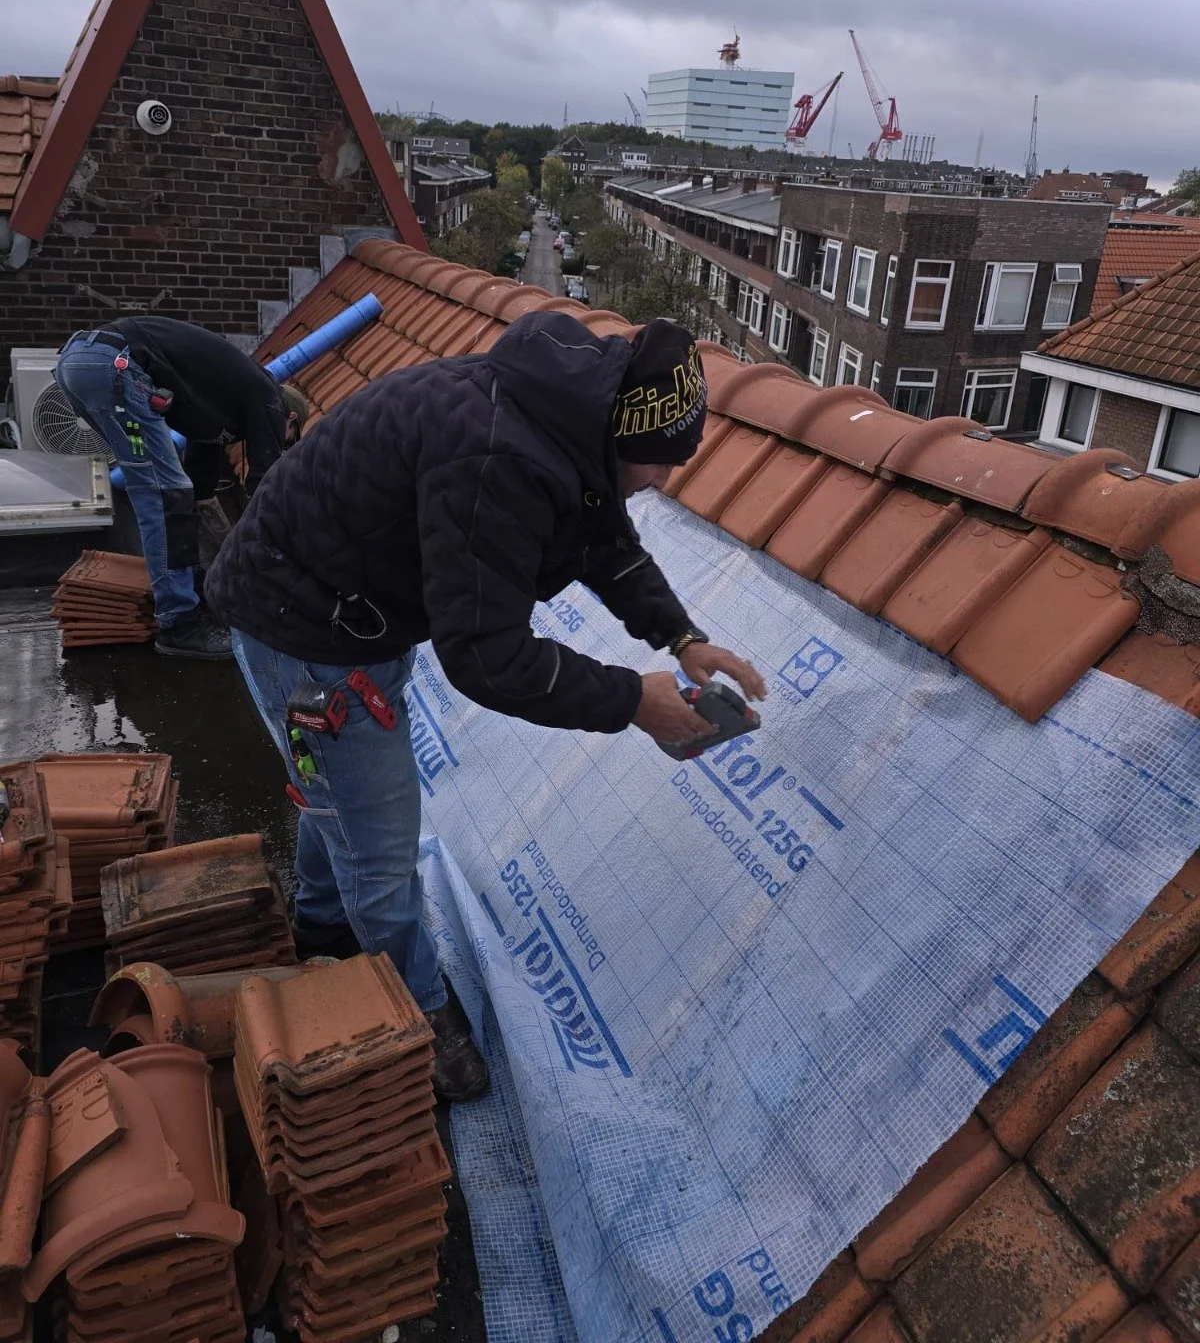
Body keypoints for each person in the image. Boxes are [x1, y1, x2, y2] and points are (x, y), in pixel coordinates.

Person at [205, 312, 766, 1102]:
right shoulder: (498, 460)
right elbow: (486, 658)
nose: (661, 483)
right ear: (616, 430)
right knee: (381, 844)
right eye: (654, 467)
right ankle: (423, 1025)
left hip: (348, 603)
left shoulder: (569, 419)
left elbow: (603, 538)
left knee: (336, 795)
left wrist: (681, 636)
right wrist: (631, 701)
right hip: (304, 630)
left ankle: (322, 927)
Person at [54, 317, 306, 660]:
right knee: (163, 494)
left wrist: (210, 569)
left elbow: (198, 484)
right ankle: (179, 624)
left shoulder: (221, 406)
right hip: (116, 368)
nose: (282, 442)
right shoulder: (270, 399)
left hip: (82, 363)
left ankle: (186, 589)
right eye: (289, 440)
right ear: (290, 419)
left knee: (164, 488)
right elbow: (265, 485)